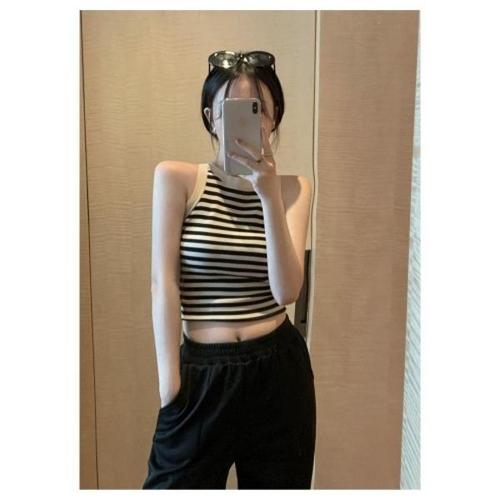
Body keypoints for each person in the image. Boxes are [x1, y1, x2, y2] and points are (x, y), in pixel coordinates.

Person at [142, 50, 315, 489]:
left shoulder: (293, 189)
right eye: (231, 109)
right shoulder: (178, 179)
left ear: (273, 119)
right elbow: (164, 283)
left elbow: (287, 291)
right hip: (201, 374)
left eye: (259, 110)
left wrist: (268, 194)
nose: (248, 122)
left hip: (277, 373)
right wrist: (170, 387)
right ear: (211, 118)